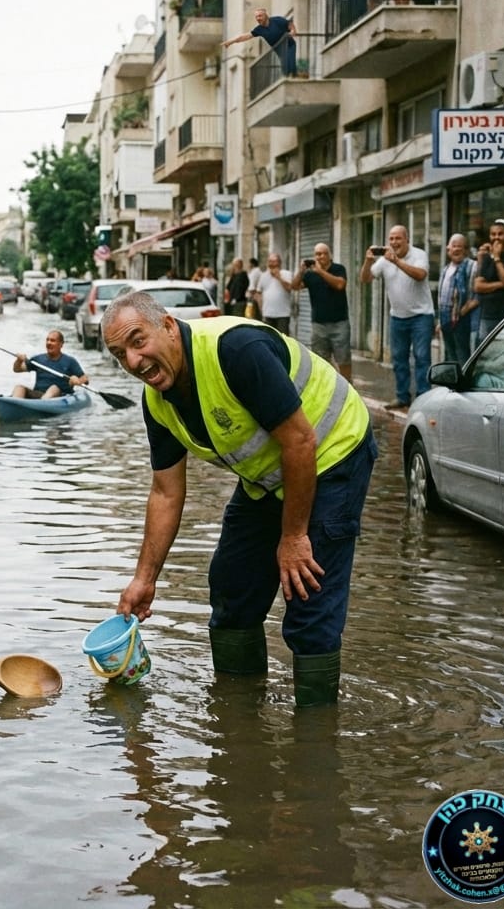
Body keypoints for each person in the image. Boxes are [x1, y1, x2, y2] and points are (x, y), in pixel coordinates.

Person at [100, 290, 376, 707]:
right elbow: (165, 491)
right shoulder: (157, 402)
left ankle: (316, 742)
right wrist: (145, 578)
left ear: (169, 326)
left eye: (138, 341)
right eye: (121, 355)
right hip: (268, 478)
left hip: (332, 454)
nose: (134, 362)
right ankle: (237, 720)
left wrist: (294, 536)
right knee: (231, 586)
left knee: (307, 598)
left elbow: (301, 441)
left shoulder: (236, 350)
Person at [360, 224, 433, 410]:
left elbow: (420, 275)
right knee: (399, 359)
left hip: (421, 316)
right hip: (398, 317)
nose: (394, 242)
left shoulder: (419, 255)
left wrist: (396, 262)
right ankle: (402, 397)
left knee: (421, 357)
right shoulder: (384, 260)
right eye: (391, 239)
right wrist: (368, 261)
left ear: (407, 239)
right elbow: (365, 279)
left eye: (398, 238)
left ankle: (423, 398)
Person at [292, 243, 352, 381]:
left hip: (339, 323)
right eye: (318, 254)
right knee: (320, 360)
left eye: (324, 253)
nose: (321, 256)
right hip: (318, 324)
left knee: (343, 359)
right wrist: (301, 271)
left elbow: (340, 284)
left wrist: (320, 272)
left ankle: (349, 386)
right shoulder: (310, 274)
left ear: (329, 255)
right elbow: (294, 286)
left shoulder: (338, 269)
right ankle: (329, 385)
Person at [436, 233, 478, 364]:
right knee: (449, 353)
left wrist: (466, 309)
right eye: (453, 246)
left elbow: (478, 294)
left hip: (462, 317)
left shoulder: (473, 266)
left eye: (460, 246)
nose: (456, 250)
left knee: (462, 353)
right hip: (445, 316)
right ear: (448, 249)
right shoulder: (445, 269)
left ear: (466, 250)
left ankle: (462, 383)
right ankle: (453, 382)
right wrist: (439, 321)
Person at [11, 330, 88, 400]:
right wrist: (19, 361)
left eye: (53, 340)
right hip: (39, 394)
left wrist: (77, 380)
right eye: (47, 340)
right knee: (19, 387)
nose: (48, 343)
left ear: (61, 344)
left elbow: (85, 379)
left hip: (60, 396)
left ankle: (41, 405)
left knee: (54, 388)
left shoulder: (70, 361)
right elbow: (17, 369)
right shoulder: (38, 359)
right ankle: (14, 404)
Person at [223, 7, 297, 77]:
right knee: (285, 68)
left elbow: (289, 24)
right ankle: (289, 78)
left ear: (266, 16)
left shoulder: (277, 20)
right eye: (256, 17)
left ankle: (294, 76)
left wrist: (293, 31)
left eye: (260, 16)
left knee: (290, 64)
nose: (258, 18)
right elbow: (245, 36)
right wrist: (231, 41)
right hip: (279, 50)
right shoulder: (259, 29)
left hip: (289, 45)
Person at [256, 254, 294, 335]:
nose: (271, 264)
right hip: (268, 314)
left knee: (283, 340)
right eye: (270, 261)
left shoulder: (287, 274)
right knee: (269, 339)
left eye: (274, 262)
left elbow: (289, 289)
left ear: (279, 263)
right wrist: (261, 309)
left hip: (283, 315)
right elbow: (258, 293)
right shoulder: (263, 276)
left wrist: (279, 277)